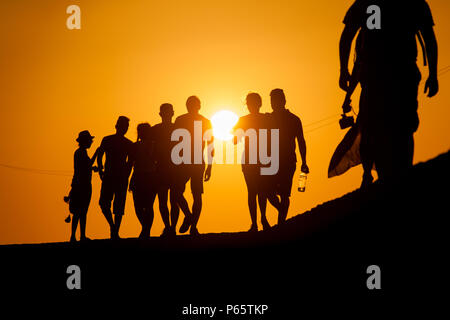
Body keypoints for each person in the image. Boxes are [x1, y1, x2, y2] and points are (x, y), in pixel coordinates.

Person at [339, 0, 439, 181]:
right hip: (390, 75)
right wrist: (432, 74)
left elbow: (347, 36)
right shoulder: (412, 4)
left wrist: (344, 71)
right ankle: (373, 173)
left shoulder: (368, 4)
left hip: (385, 75)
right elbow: (429, 38)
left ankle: (382, 173)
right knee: (381, 126)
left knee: (389, 126)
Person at [172, 96, 214, 236]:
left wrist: (210, 166)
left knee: (195, 195)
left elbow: (210, 145)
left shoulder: (204, 121)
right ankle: (190, 218)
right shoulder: (182, 120)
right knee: (179, 193)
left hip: (193, 162)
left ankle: (193, 225)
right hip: (184, 161)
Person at [266, 89, 309, 224]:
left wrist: (304, 161)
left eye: (276, 100)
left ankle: (281, 223)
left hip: (288, 161)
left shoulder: (294, 119)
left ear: (283, 101)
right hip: (271, 162)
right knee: (268, 193)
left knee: (284, 194)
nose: (274, 103)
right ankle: (282, 213)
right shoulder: (267, 119)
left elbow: (301, 141)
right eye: (272, 100)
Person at [152, 103, 192, 237]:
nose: (167, 114)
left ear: (172, 113)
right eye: (165, 112)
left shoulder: (179, 129)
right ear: (160, 114)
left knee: (173, 199)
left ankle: (172, 227)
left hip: (176, 169)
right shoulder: (155, 130)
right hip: (162, 168)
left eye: (168, 112)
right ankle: (169, 227)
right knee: (164, 200)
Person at [233, 93, 271, 232]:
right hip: (260, 158)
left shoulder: (243, 120)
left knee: (253, 192)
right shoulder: (266, 118)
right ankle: (262, 219)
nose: (250, 106)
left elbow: (235, 141)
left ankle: (256, 223)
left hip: (252, 159)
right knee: (260, 190)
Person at [97, 116, 134, 240]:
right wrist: (101, 169)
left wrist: (127, 173)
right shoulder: (107, 140)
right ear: (117, 126)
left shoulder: (128, 144)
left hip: (119, 177)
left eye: (126, 126)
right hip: (109, 175)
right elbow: (100, 153)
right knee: (104, 203)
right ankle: (113, 228)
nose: (125, 128)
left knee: (118, 206)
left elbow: (131, 161)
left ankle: (114, 232)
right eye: (123, 126)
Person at [67, 130, 99, 242]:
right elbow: (87, 164)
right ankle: (81, 236)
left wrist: (92, 168)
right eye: (90, 140)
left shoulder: (79, 153)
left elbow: (84, 167)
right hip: (83, 186)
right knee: (82, 211)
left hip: (78, 185)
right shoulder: (81, 153)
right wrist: (97, 153)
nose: (91, 142)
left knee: (78, 212)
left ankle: (75, 236)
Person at [129, 123, 157, 239]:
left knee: (148, 206)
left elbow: (158, 161)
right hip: (139, 176)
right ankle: (145, 229)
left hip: (150, 176)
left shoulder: (155, 145)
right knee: (139, 206)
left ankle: (145, 231)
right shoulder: (134, 146)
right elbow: (130, 163)